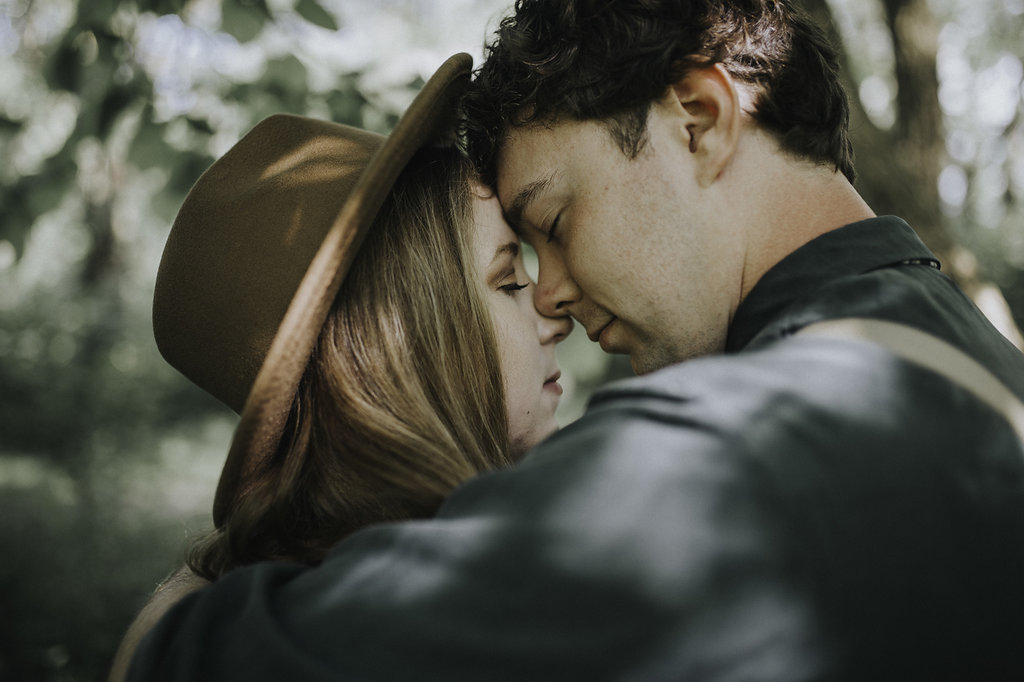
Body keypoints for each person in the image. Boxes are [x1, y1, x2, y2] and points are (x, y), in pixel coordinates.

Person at [128, 3, 1024, 680]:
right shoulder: (948, 355)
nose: (552, 294)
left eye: (553, 220)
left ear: (701, 121)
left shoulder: (759, 445)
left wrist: (171, 618)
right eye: (516, 268)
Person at [110, 53, 570, 681]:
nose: (554, 312)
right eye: (509, 279)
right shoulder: (410, 626)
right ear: (401, 340)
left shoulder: (216, 620)